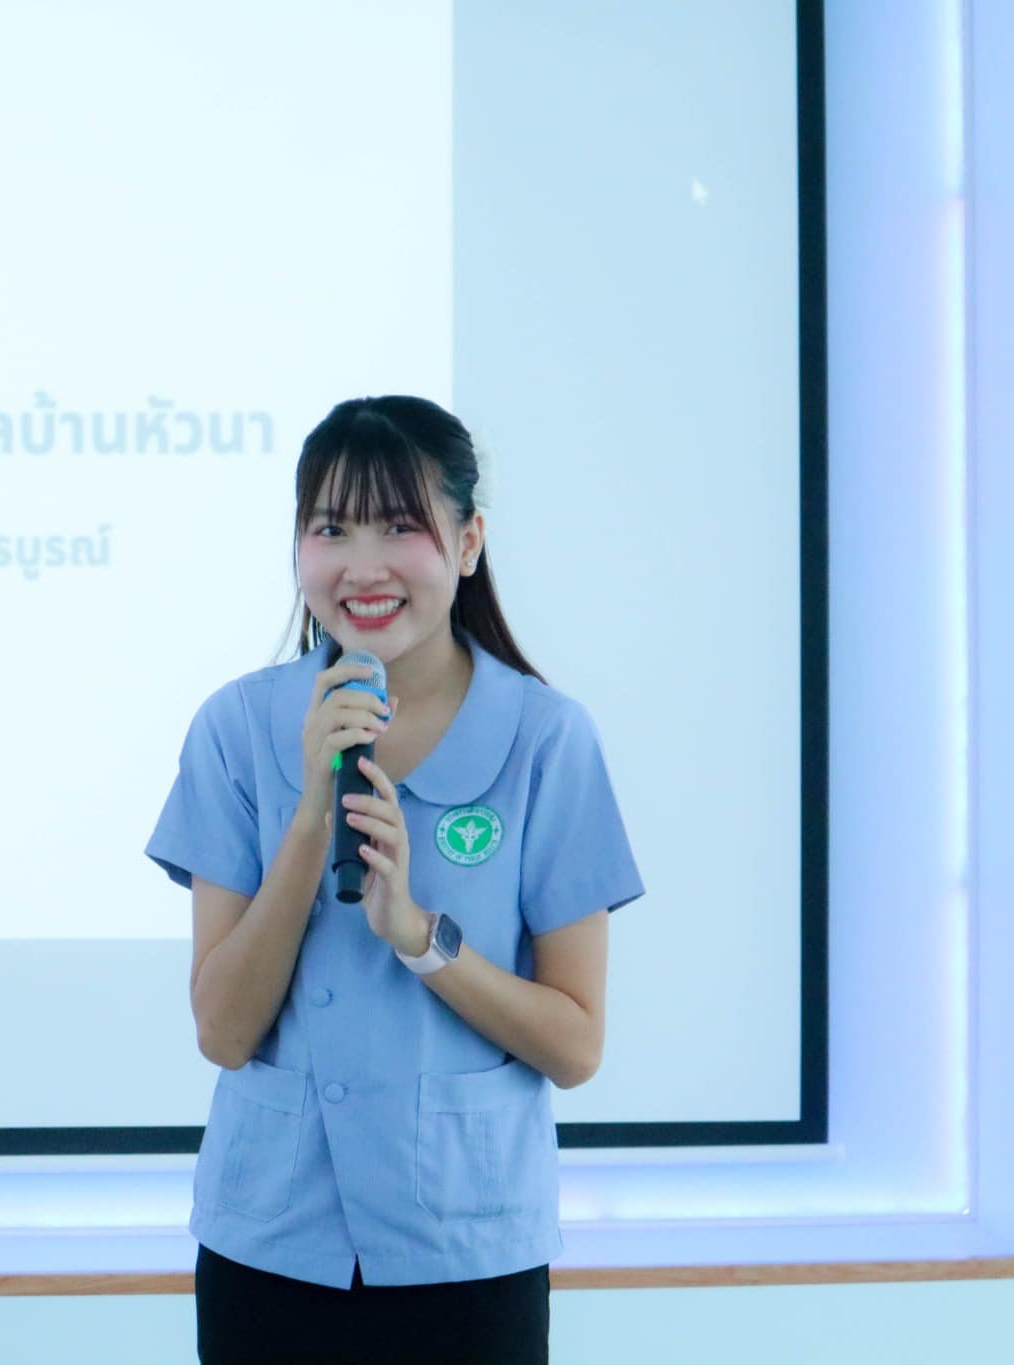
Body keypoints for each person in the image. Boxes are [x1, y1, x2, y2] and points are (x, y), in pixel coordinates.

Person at [147, 396, 644, 1364]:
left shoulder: (546, 739)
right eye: (330, 529)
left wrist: (419, 937)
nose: (361, 565)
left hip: (466, 1247)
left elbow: (575, 1045)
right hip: (272, 1244)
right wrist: (308, 819)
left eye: (399, 527)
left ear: (468, 543)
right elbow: (223, 1030)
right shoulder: (238, 728)